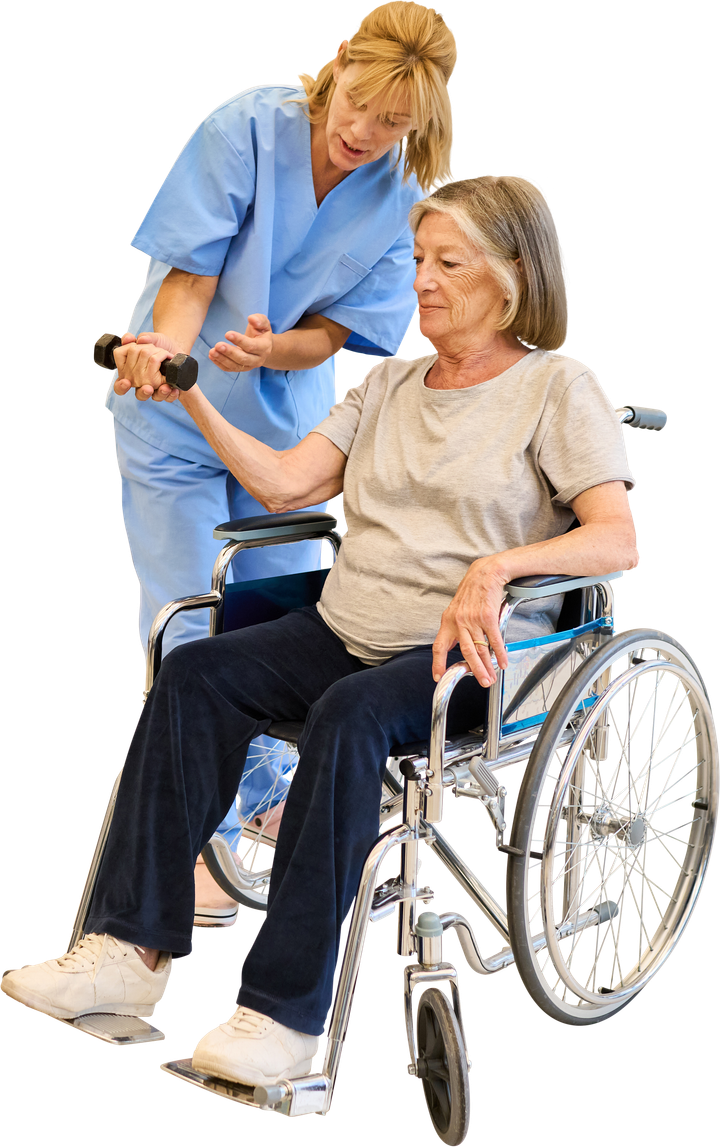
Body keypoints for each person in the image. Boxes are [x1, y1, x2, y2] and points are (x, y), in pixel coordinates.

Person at [5, 175, 638, 1087]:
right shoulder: (385, 383)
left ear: (510, 278)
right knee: (194, 673)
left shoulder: (557, 388)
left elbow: (616, 535)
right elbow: (283, 484)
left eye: (447, 264)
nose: (421, 281)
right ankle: (126, 956)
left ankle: (282, 1013)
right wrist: (189, 396)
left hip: (471, 656)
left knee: (347, 716)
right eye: (419, 260)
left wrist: (496, 568)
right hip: (345, 626)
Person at [104, 2, 458, 917]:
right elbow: (189, 278)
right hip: (176, 416)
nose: (363, 132)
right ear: (337, 62)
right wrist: (161, 358)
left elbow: (333, 335)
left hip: (285, 437)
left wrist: (268, 353)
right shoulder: (245, 127)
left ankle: (257, 807)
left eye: (393, 123)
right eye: (359, 102)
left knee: (275, 629)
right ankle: (199, 848)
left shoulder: (403, 196)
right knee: (188, 625)